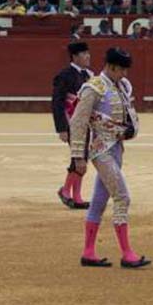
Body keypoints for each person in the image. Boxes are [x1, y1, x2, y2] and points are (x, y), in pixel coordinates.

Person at [69, 47, 149, 269]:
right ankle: (127, 253)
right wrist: (78, 157)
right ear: (111, 67)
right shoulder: (93, 88)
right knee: (122, 197)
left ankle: (88, 252)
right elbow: (78, 122)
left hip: (117, 148)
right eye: (121, 69)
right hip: (102, 150)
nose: (124, 74)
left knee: (98, 201)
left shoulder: (122, 85)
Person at [52, 41, 93, 209]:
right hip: (71, 122)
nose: (88, 56)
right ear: (75, 57)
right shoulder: (65, 75)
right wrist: (61, 128)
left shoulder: (89, 75)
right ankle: (71, 194)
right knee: (79, 156)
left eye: (88, 53)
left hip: (86, 123)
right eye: (84, 54)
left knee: (82, 156)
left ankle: (71, 193)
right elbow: (57, 102)